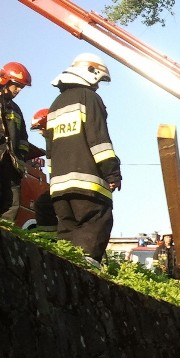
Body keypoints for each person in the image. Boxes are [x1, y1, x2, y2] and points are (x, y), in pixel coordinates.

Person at [46, 53, 121, 266]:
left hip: (59, 189)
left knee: (67, 245)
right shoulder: (90, 98)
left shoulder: (55, 105)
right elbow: (99, 141)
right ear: (91, 73)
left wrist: (53, 181)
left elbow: (50, 150)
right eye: (98, 81)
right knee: (95, 226)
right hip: (89, 187)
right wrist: (112, 173)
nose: (97, 87)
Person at [1, 61, 32, 224]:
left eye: (22, 87)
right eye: (17, 86)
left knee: (11, 203)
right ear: (5, 80)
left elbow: (23, 139)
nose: (19, 90)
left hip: (11, 163)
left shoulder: (16, 109)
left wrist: (20, 157)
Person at [27, 107, 58, 231]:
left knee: (43, 204)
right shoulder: (50, 140)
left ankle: (50, 237)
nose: (40, 132)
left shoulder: (57, 139)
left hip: (63, 183)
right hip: (57, 183)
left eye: (40, 128)